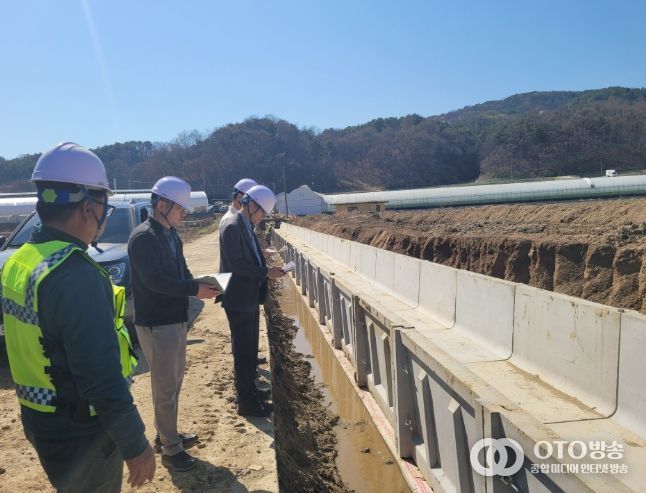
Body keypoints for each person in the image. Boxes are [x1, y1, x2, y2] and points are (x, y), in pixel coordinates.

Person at [0, 142, 155, 491]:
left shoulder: (21, 260)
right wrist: (135, 444)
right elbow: (99, 375)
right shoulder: (75, 274)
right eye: (104, 206)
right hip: (82, 432)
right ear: (88, 207)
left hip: (40, 419)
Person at [128, 176, 219, 472]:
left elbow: (182, 272)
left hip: (175, 320)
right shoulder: (144, 238)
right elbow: (155, 282)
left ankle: (166, 436)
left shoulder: (171, 235)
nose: (183, 215)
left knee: (174, 382)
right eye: (180, 209)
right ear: (162, 205)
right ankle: (171, 449)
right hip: (157, 323)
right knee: (165, 387)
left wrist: (203, 284)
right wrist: (193, 289)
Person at [219, 185, 285, 417]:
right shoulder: (232, 226)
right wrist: (266, 272)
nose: (262, 218)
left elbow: (251, 258)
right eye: (262, 213)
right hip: (238, 298)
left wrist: (265, 269)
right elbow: (237, 265)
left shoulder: (245, 225)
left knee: (249, 351)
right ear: (252, 205)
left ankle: (251, 391)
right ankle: (246, 402)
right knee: (243, 352)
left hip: (249, 296)